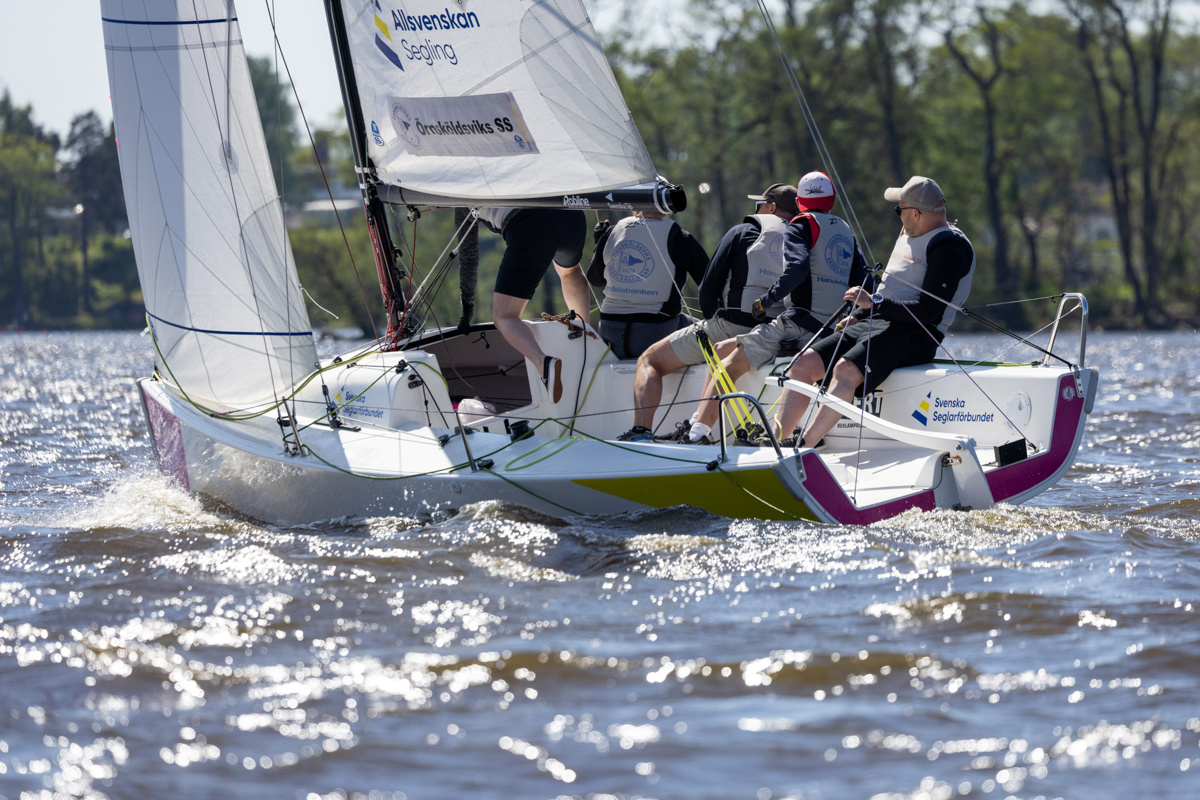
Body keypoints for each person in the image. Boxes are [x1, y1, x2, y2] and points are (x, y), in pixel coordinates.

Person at [775, 175, 976, 448]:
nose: (898, 215)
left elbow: (928, 313)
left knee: (845, 369)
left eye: (899, 209)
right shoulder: (909, 232)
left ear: (916, 213)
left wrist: (874, 304)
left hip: (917, 334)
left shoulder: (949, 248)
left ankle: (804, 445)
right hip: (881, 321)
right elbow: (889, 288)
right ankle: (777, 441)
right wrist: (859, 315)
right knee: (803, 363)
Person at [684, 171, 871, 444]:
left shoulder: (801, 225)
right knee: (721, 349)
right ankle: (699, 420)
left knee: (729, 365)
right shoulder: (845, 231)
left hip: (798, 325)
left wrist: (765, 301)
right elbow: (866, 282)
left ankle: (697, 436)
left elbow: (796, 269)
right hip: (831, 331)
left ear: (801, 201)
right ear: (831, 200)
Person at [618, 183, 800, 441]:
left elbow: (707, 288)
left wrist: (714, 320)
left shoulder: (742, 231)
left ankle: (641, 432)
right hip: (779, 332)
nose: (755, 209)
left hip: (736, 325)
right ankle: (695, 424)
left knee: (649, 360)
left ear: (771, 208)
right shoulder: (804, 240)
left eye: (759, 204)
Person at [478, 207, 588, 404]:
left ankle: (543, 363)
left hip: (531, 222)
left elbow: (468, 257)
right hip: (572, 215)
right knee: (570, 271)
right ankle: (586, 337)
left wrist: (466, 309)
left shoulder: (459, 194)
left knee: (505, 316)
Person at [586, 209, 709, 360]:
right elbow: (710, 284)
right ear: (666, 208)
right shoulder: (680, 236)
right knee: (714, 335)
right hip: (656, 336)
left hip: (610, 335)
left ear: (634, 207)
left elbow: (596, 280)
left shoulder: (611, 231)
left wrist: (599, 243)